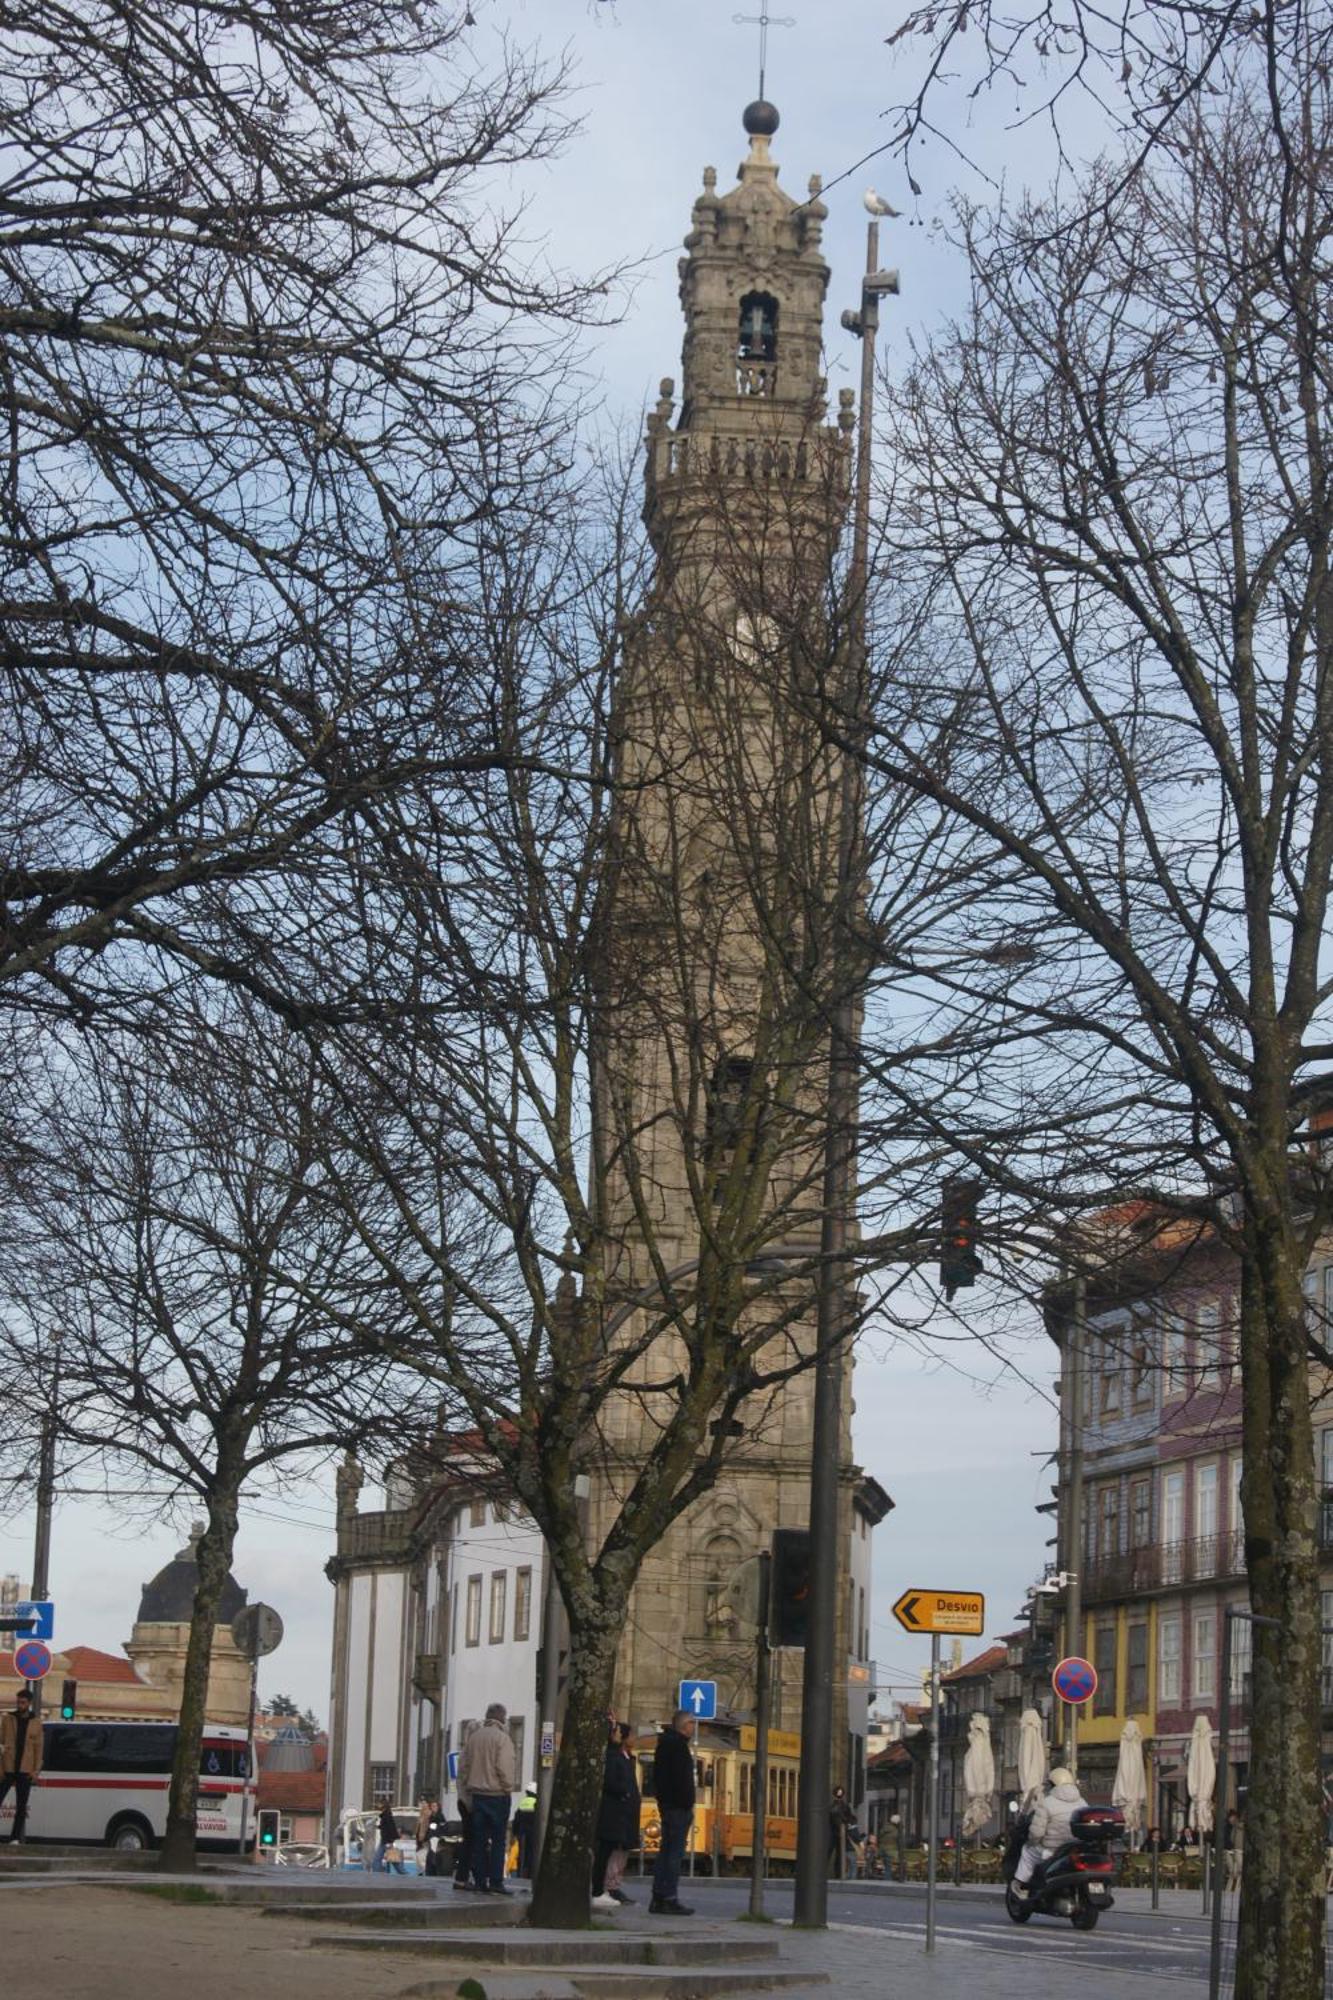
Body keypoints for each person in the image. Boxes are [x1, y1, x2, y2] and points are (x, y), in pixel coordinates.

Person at [460, 1700, 517, 1894]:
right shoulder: (503, 1739)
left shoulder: (474, 1738)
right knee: (498, 1840)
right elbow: (505, 1767)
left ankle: (479, 1880)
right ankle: (495, 1881)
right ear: (502, 1717)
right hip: (497, 1795)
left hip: (477, 1795)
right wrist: (508, 1787)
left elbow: (465, 1768)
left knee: (479, 1840)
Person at [1012, 1766, 1087, 1897]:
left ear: (1053, 1785)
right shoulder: (1082, 1803)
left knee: (1027, 1852)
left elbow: (1036, 1834)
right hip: (1075, 1848)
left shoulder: (1047, 1803)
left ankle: (1021, 1885)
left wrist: (1032, 1841)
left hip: (1052, 1850)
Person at [649, 1709, 696, 1915]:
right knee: (674, 1854)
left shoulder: (664, 1746)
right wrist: (686, 1803)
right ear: (684, 1726)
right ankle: (668, 1897)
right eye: (692, 1723)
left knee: (666, 1853)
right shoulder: (678, 1747)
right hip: (677, 1808)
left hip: (668, 1806)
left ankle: (659, 1897)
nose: (694, 1727)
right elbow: (680, 1780)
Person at [592, 1721, 641, 1910]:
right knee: (606, 1852)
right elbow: (612, 1782)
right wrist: (626, 1792)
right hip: (614, 1812)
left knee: (611, 1851)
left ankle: (605, 1888)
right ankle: (600, 1890)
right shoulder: (613, 1757)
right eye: (621, 1733)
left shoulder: (624, 1757)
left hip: (621, 1812)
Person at [0, 1687, 42, 1844]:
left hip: (25, 1769)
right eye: (18, 1702)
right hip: (8, 1767)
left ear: (29, 1703)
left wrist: (35, 1770)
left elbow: (39, 1748)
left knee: (21, 1805)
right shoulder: (8, 1719)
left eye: (23, 1702)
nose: (20, 1705)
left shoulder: (36, 1722)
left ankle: (15, 1837)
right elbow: (1, 1742)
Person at [828, 1786, 858, 1878]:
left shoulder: (834, 1806)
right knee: (838, 1854)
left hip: (836, 1833)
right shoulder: (840, 1806)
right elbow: (850, 1818)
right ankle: (838, 1874)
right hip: (837, 1833)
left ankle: (838, 1873)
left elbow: (850, 1818)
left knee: (837, 1854)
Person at [373, 1799, 405, 1874]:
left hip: (387, 1841)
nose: (378, 1805)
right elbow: (386, 1827)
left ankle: (404, 1874)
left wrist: (391, 1841)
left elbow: (391, 1828)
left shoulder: (387, 1815)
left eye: (379, 1804)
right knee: (377, 1859)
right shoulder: (385, 1815)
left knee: (394, 1861)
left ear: (383, 1805)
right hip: (384, 1841)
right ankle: (376, 1873)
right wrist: (379, 1826)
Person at [513, 1782, 538, 1879]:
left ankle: (520, 1873)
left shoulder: (522, 1803)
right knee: (532, 1854)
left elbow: (516, 1819)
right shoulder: (536, 1803)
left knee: (522, 1854)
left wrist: (515, 1832)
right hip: (533, 1833)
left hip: (522, 1833)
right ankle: (531, 1874)